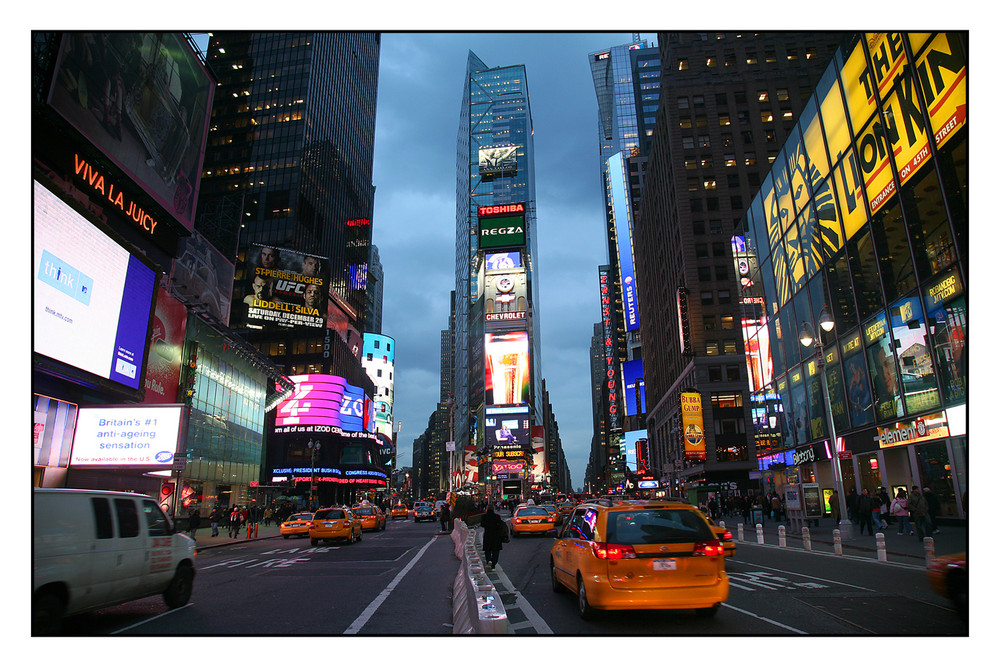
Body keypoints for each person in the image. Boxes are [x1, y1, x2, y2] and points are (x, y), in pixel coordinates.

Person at [480, 505, 506, 571]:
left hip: (487, 535)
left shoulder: (484, 517)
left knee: (487, 549)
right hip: (496, 536)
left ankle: (489, 560)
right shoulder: (497, 517)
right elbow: (500, 525)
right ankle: (493, 564)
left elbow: (482, 524)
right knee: (496, 550)